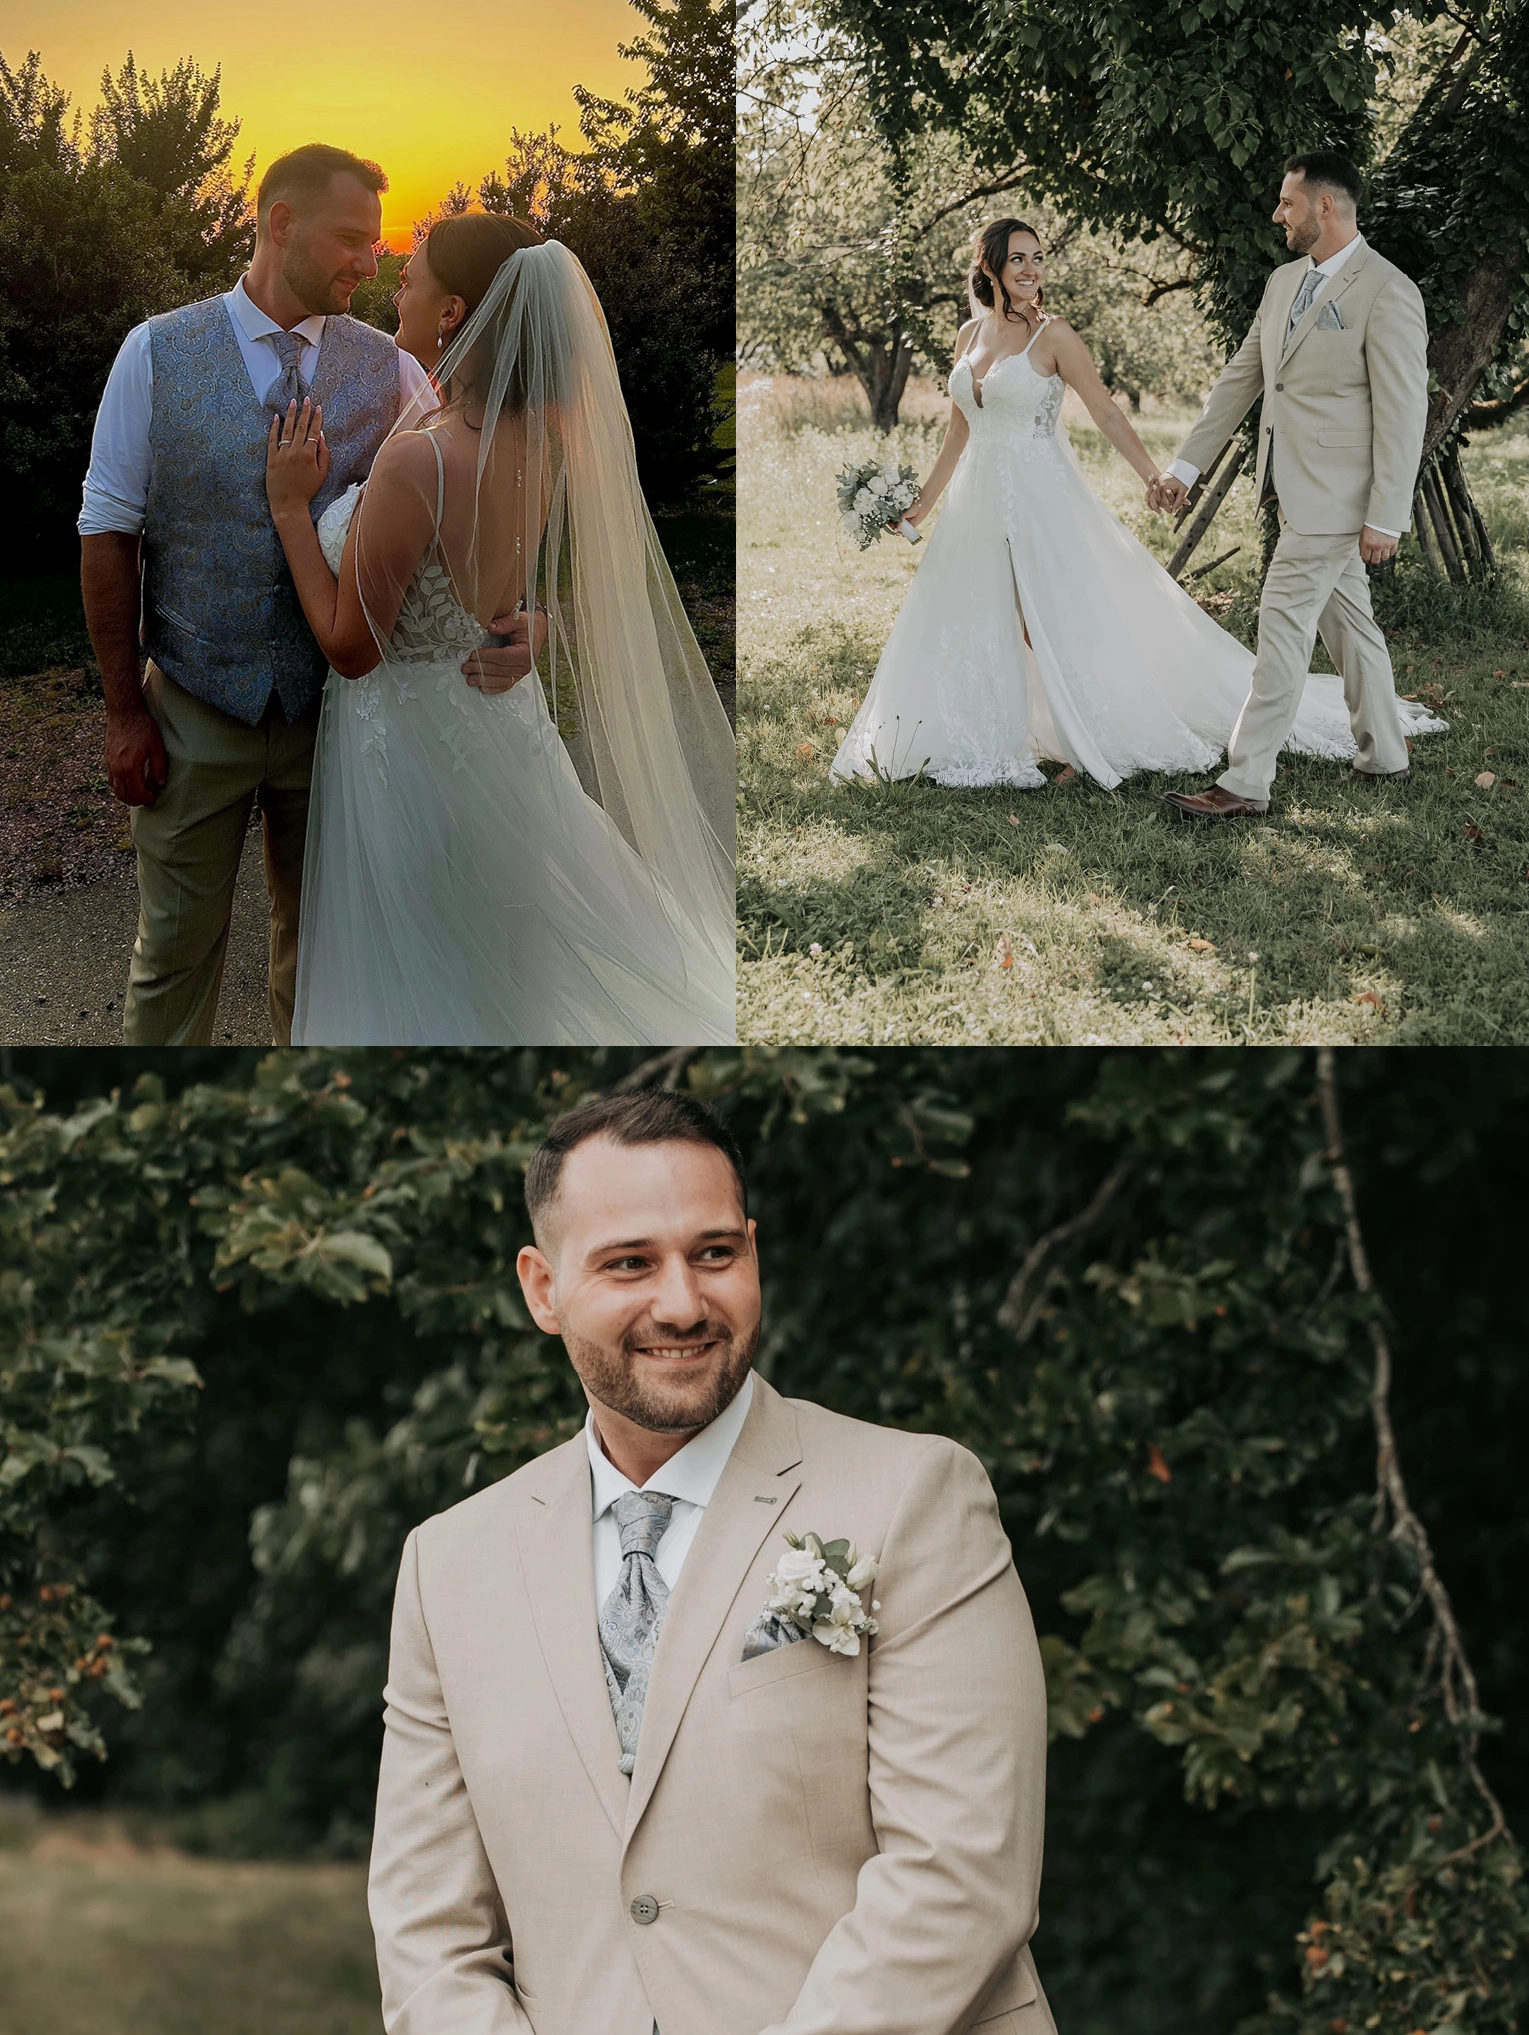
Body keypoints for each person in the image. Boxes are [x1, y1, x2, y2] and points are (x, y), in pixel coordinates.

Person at [368, 1088, 1055, 2035]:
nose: (683, 1303)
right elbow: (426, 1932)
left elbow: (961, 1874)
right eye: (628, 1264)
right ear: (542, 1288)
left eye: (714, 1253)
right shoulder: (448, 1563)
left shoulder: (915, 1497)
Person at [79, 144, 531, 1045]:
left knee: (321, 952)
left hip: (341, 719)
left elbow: (479, 499)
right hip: (196, 710)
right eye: (352, 239)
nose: (372, 262)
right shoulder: (155, 351)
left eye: (377, 245)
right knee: (171, 954)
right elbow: (107, 533)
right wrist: (125, 711)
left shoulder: (398, 369)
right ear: (280, 224)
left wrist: (533, 622)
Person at [264, 215, 735, 1044]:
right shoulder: (539, 442)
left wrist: (290, 510)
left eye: (409, 275)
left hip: (408, 752)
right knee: (505, 968)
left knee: (426, 978)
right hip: (498, 730)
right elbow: (497, 592)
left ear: (451, 312)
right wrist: (539, 625)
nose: (395, 287)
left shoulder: (424, 458)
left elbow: (351, 647)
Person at [829, 212, 1443, 794]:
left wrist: (1156, 474)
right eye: (1018, 259)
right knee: (983, 615)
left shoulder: (1054, 336)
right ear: (988, 267)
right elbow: (959, 431)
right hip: (978, 501)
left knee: (1050, 617)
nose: (1031, 270)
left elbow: (1104, 410)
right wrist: (922, 507)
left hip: (1040, 497)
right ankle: (989, 731)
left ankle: (1085, 735)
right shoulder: (967, 335)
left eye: (1038, 259)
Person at [1155, 149, 1437, 819]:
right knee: (1349, 626)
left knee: (1280, 625)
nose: (1276, 213)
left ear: (1325, 206)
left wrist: (1386, 516)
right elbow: (1242, 380)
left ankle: (1244, 782)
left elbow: (1402, 414)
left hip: (1340, 496)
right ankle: (1384, 754)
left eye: (1287, 202)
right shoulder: (1283, 282)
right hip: (1292, 488)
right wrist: (1184, 467)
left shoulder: (1387, 290)